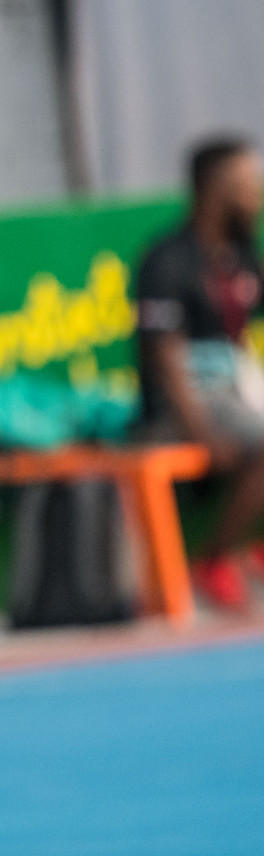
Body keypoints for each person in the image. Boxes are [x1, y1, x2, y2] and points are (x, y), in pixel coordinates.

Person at [135, 137, 264, 611]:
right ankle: (214, 560)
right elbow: (166, 361)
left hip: (236, 391)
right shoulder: (166, 260)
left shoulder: (241, 255)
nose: (257, 193)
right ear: (215, 190)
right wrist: (200, 430)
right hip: (183, 405)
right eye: (247, 184)